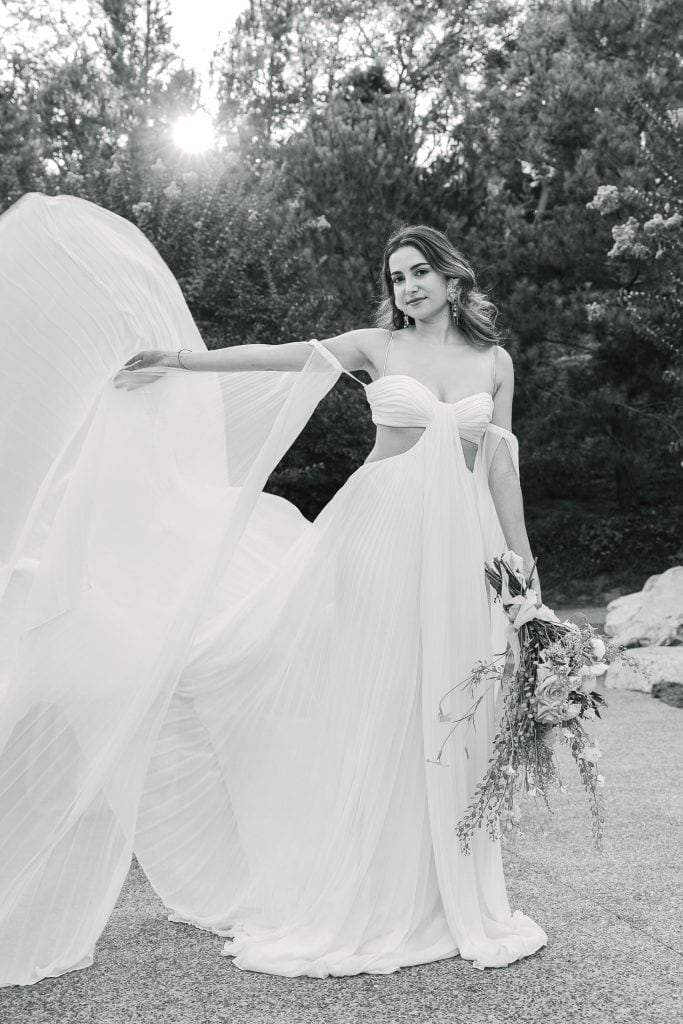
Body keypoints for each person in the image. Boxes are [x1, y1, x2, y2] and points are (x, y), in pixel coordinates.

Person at [0, 195, 546, 988]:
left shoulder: (493, 364)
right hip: (377, 536)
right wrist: (179, 362)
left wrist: (522, 570)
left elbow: (499, 464)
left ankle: (441, 886)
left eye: (418, 272)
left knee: (448, 703)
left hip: (461, 545)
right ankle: (365, 883)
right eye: (396, 277)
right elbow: (277, 356)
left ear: (451, 277)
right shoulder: (375, 346)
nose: (407, 287)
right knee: (377, 699)